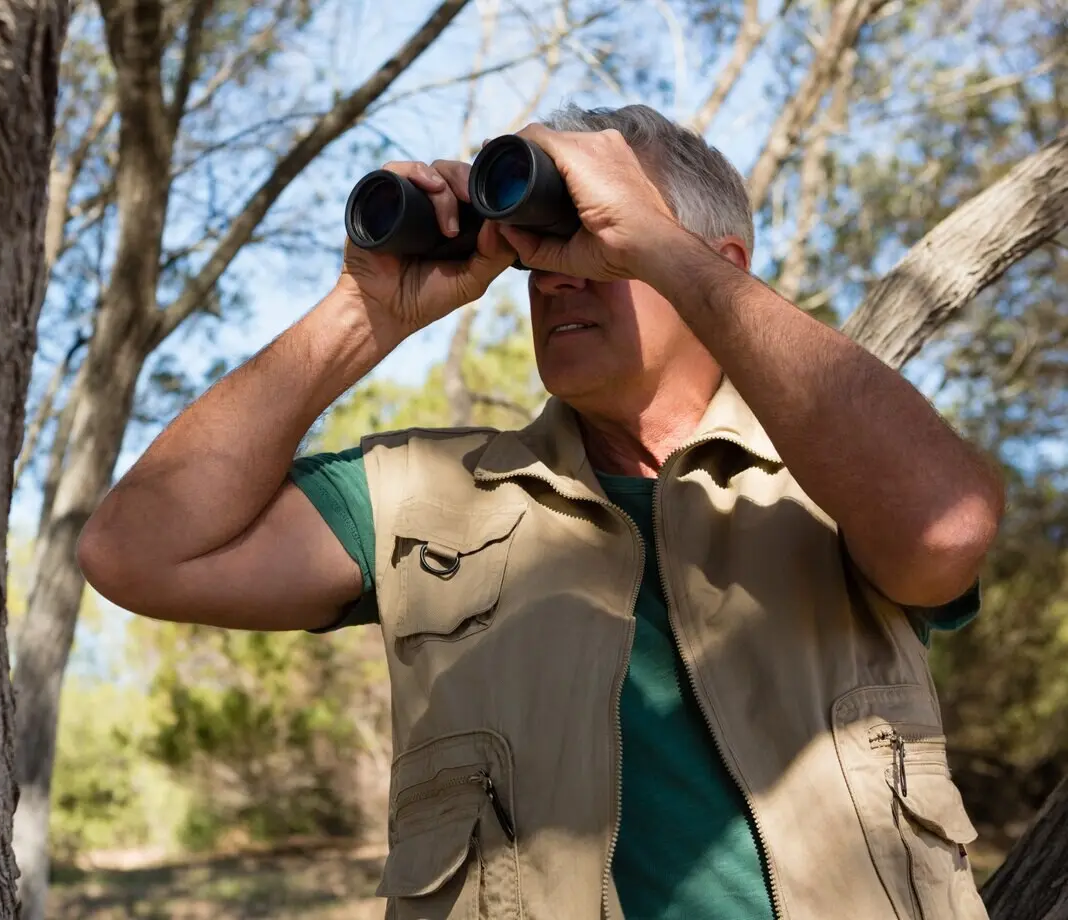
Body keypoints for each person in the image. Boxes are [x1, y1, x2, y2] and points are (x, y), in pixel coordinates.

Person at [76, 103, 1004, 920]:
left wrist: (669, 258)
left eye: (603, 242)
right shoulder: (425, 496)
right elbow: (136, 552)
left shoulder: (834, 475)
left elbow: (945, 530)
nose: (559, 275)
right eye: (546, 249)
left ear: (712, 265)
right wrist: (363, 310)